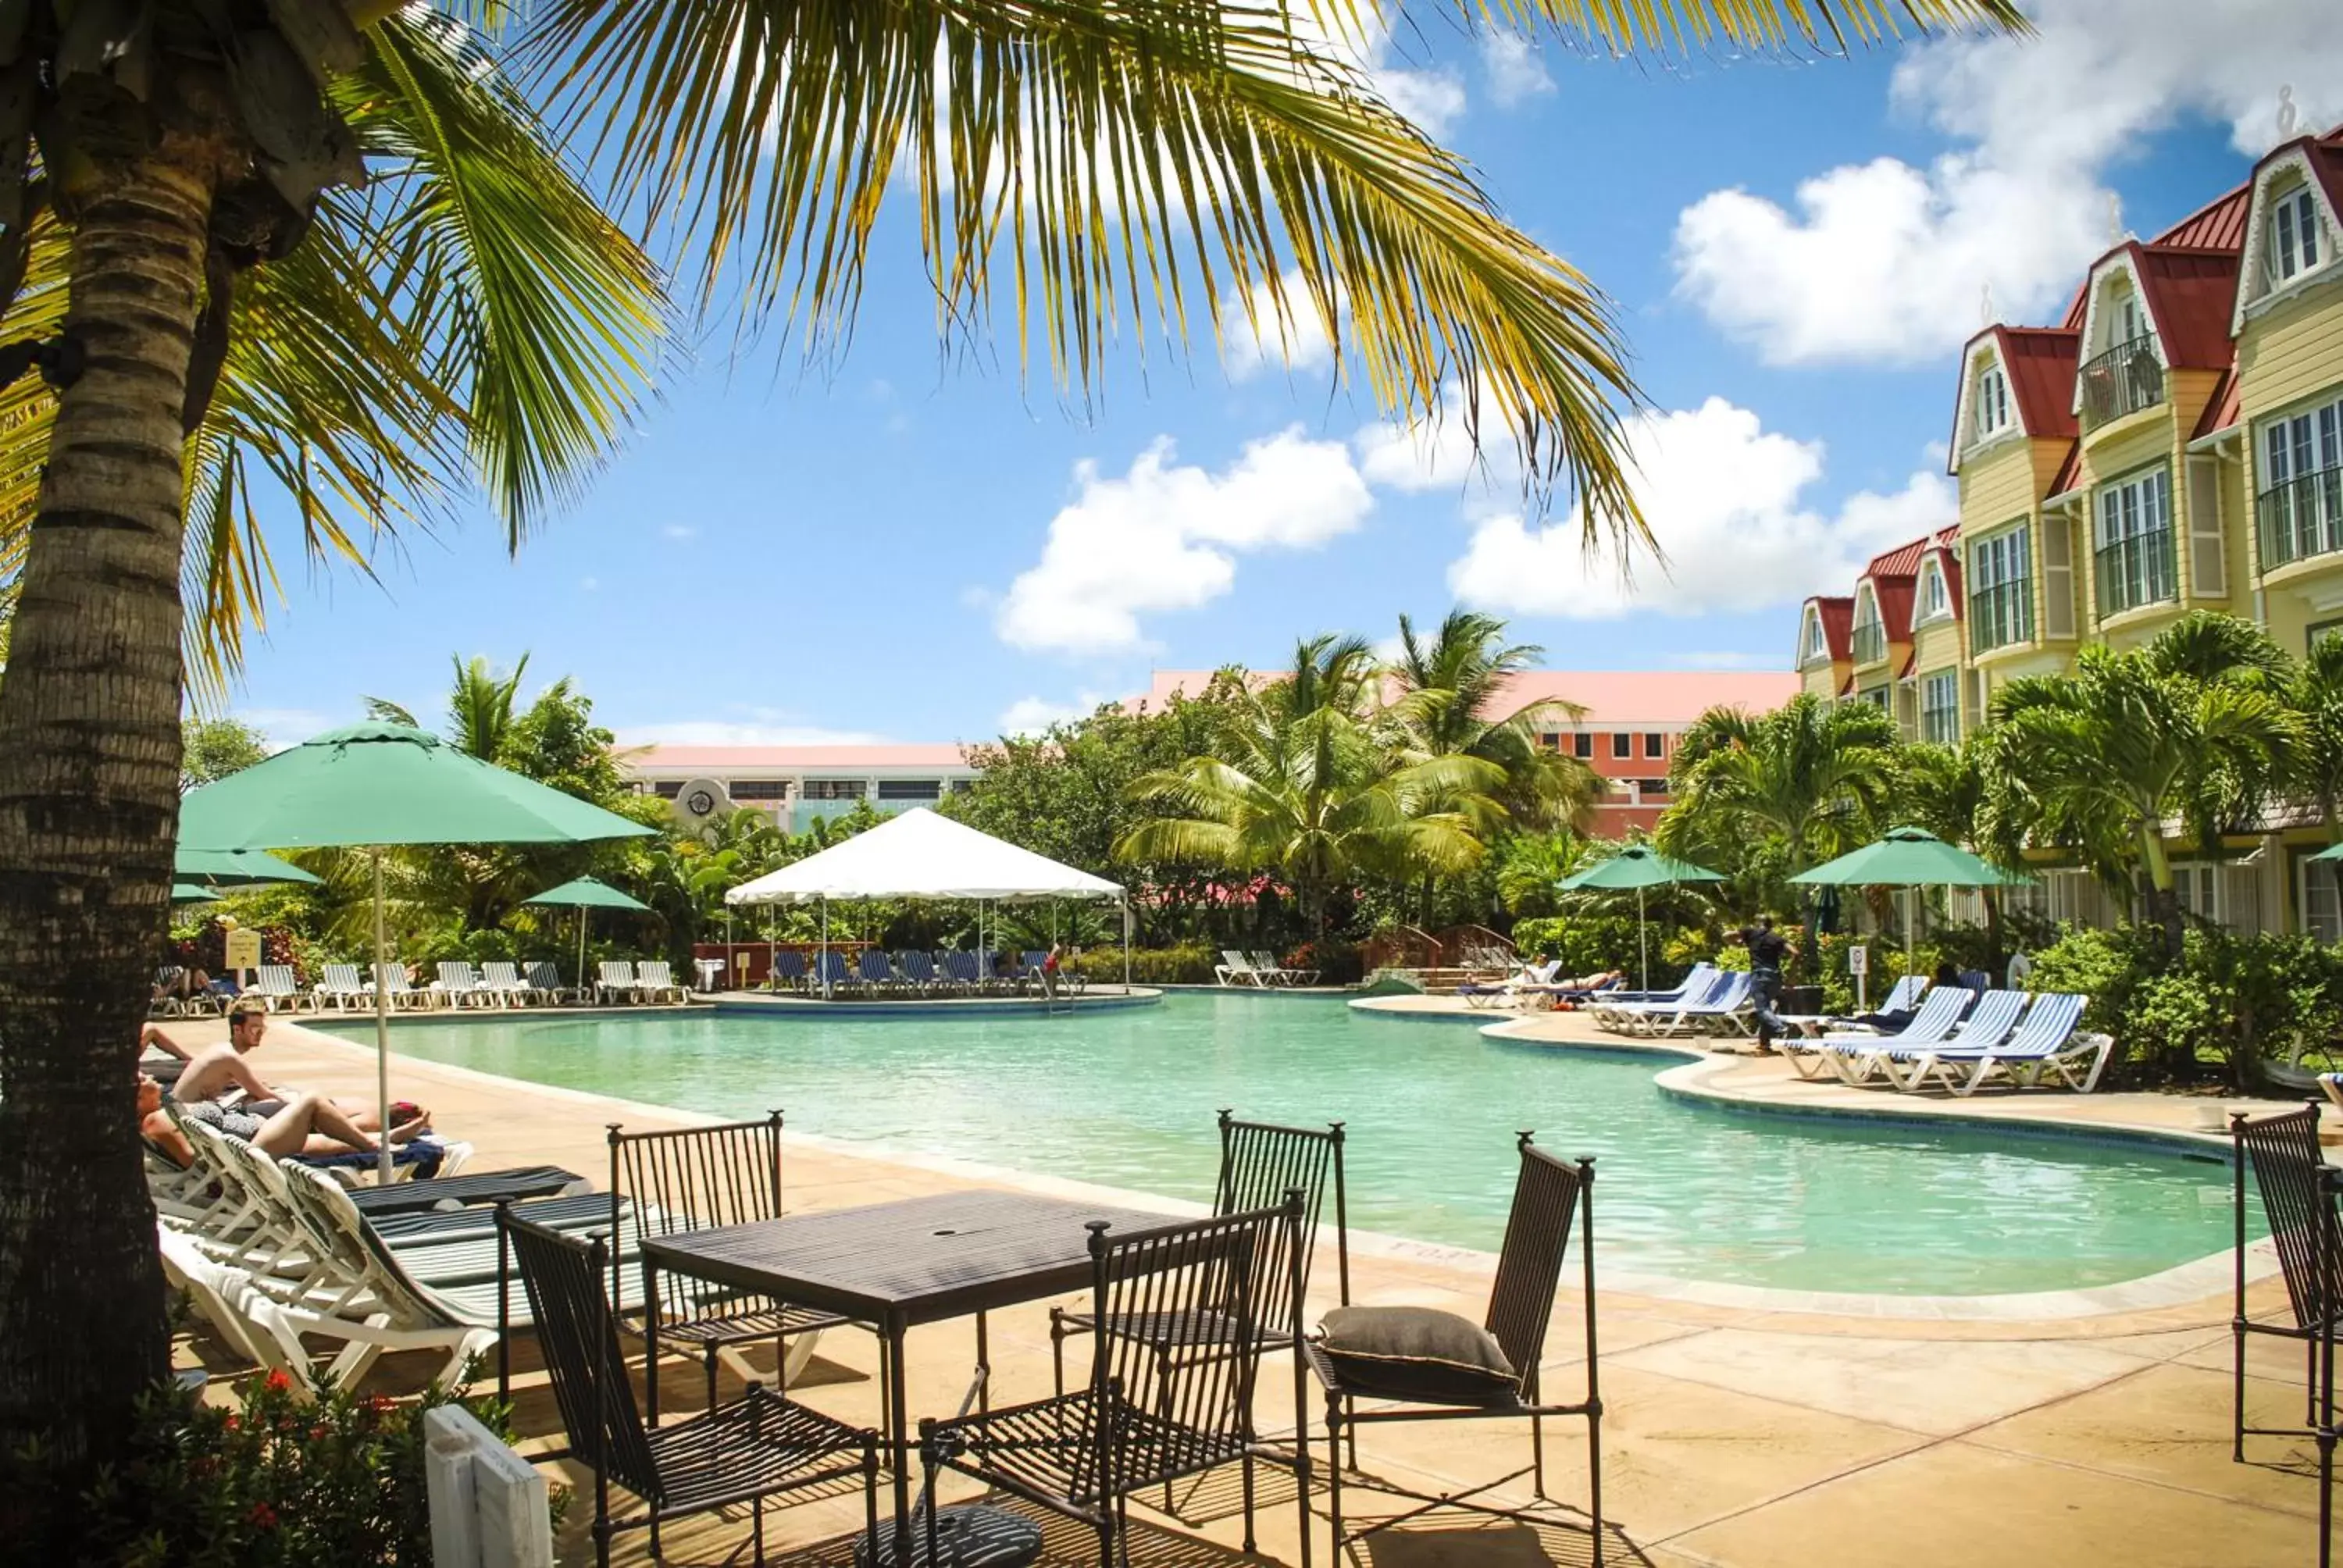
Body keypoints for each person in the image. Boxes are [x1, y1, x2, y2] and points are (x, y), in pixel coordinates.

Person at [138, 1073, 431, 1169]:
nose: (147, 1076)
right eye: (139, 1079)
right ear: (136, 1100)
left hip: (255, 1136)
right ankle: (375, 1144)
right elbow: (197, 1162)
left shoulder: (165, 1111)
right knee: (313, 1101)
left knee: (340, 1145)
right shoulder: (156, 1121)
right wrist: (234, 1155)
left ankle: (387, 1140)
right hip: (250, 1151)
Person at [1726, 916, 1795, 1053]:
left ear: (1757, 924)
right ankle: (1764, 1043)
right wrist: (1791, 974)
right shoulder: (1776, 938)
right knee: (1766, 1008)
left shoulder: (1751, 933)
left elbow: (1726, 935)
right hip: (1775, 977)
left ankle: (1780, 1028)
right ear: (1771, 926)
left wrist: (1738, 943)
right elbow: (1796, 953)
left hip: (1760, 975)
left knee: (1762, 1009)